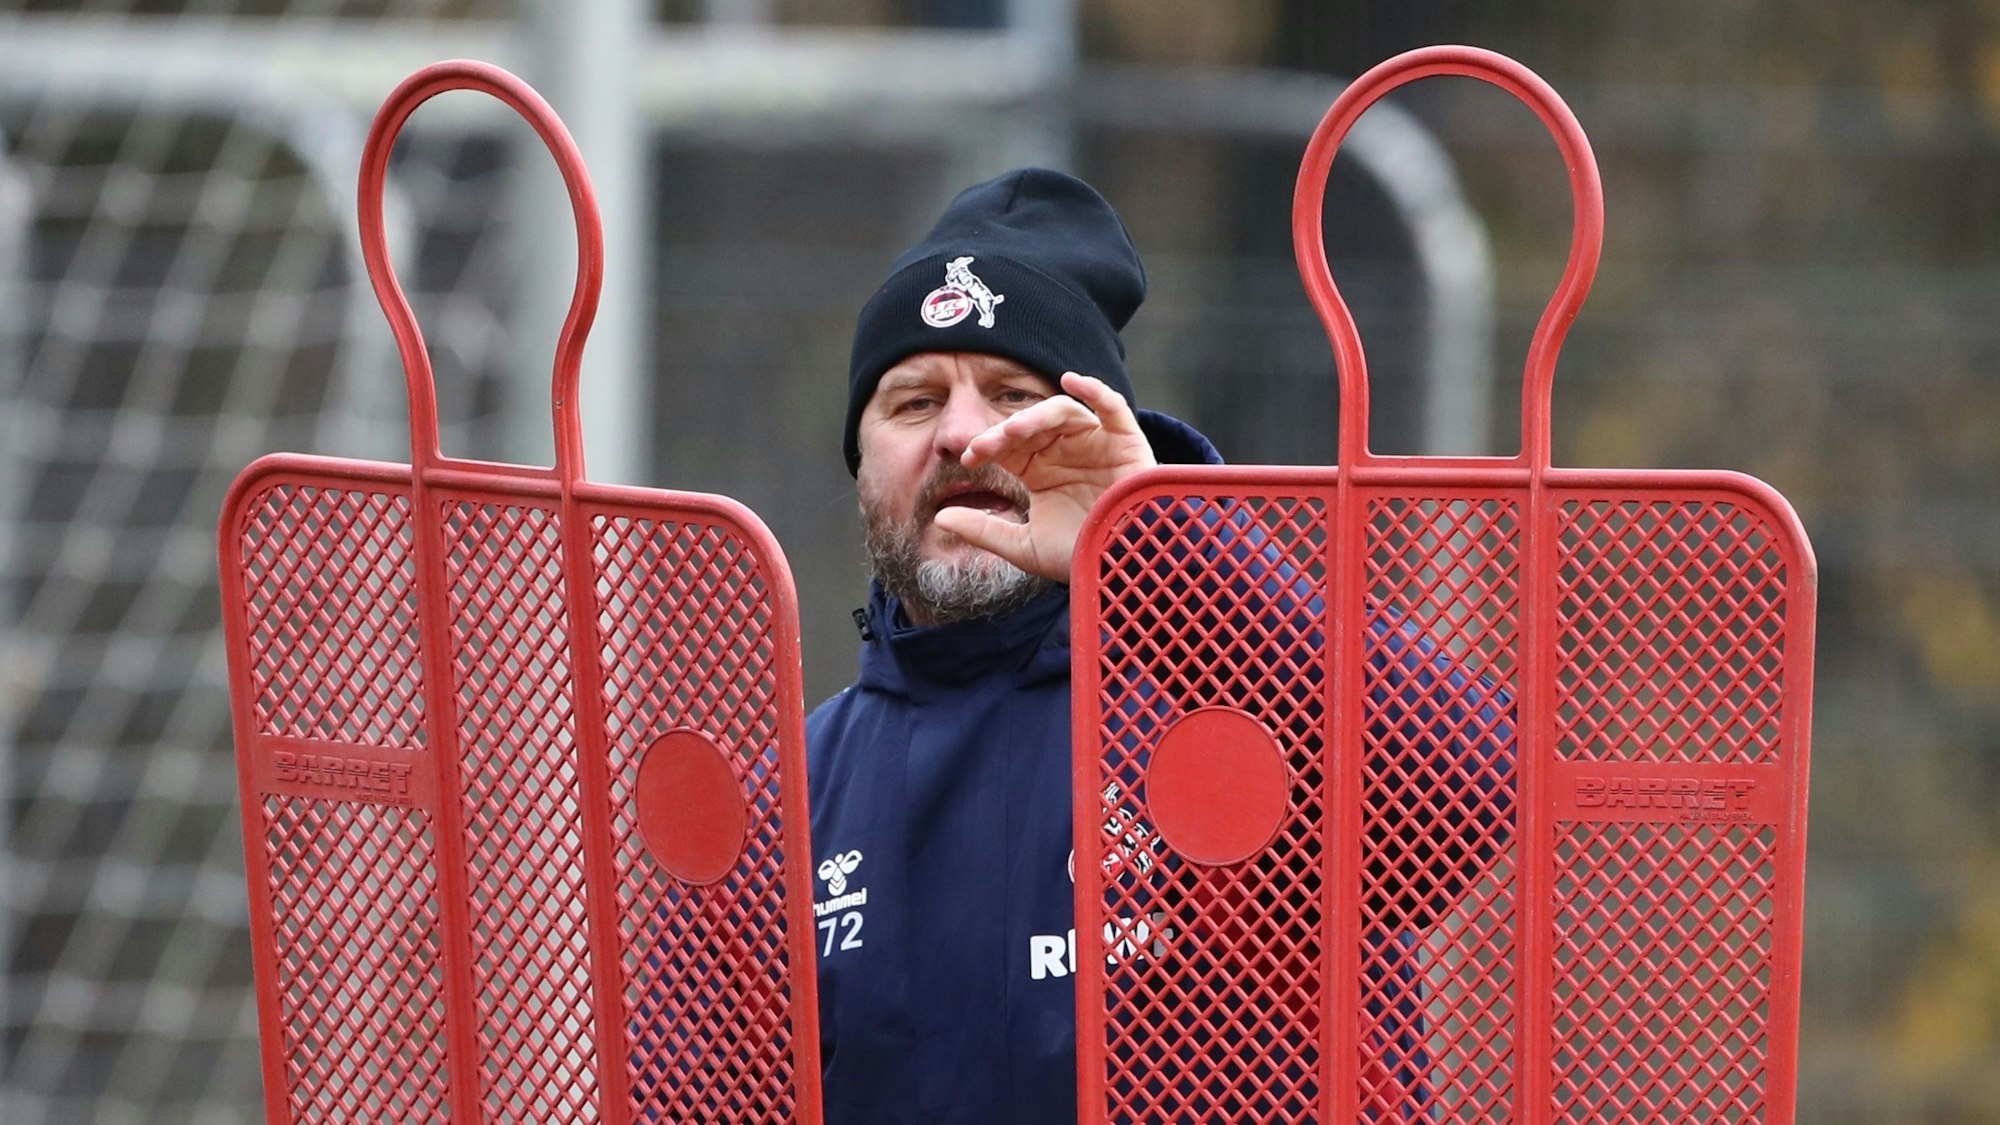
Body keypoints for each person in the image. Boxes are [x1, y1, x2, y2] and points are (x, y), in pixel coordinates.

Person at [805, 168, 1513, 1124]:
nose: (965, 434)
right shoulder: (792, 796)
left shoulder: (1241, 702)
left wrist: (1150, 543)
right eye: (913, 400)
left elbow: (1462, 797)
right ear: (861, 465)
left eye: (1014, 393)